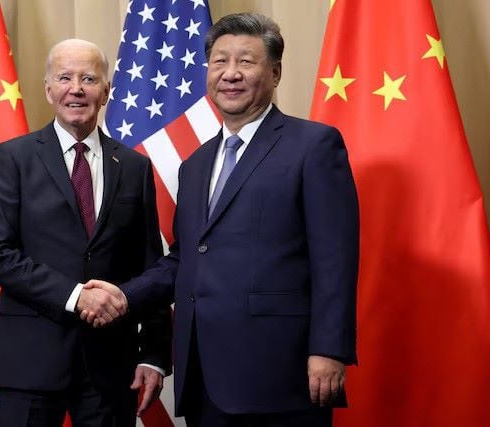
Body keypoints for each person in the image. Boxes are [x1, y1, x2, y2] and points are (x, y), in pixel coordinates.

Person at [82, 13, 359, 427]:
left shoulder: (314, 146)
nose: (230, 74)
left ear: (276, 72)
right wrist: (124, 295)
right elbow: (185, 258)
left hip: (281, 373)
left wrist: (329, 349)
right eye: (219, 62)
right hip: (204, 376)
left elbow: (335, 257)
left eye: (246, 62)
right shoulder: (195, 164)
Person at [0, 38, 171, 427]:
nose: (76, 88)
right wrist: (74, 297)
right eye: (64, 77)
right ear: (48, 89)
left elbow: (149, 267)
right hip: (30, 361)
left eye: (88, 78)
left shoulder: (134, 167)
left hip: (110, 366)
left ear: (106, 90)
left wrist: (152, 354)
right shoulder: (13, 158)